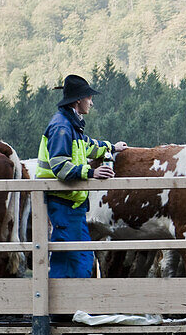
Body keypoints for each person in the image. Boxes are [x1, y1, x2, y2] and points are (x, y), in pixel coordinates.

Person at [36, 74, 127, 278]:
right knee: (82, 259)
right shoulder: (62, 127)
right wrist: (92, 172)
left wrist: (111, 147)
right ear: (78, 100)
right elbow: (60, 166)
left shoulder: (71, 125)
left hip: (70, 204)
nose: (91, 103)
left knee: (65, 258)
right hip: (64, 204)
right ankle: (77, 307)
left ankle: (61, 308)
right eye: (89, 98)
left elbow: (87, 146)